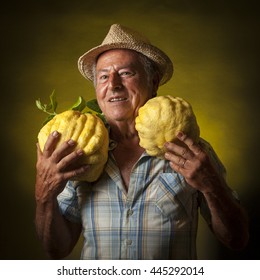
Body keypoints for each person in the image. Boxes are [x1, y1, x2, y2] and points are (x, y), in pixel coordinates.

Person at [35, 24, 249, 260]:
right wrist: (44, 195)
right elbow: (56, 249)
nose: (113, 84)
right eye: (104, 76)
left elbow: (236, 239)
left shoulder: (191, 152)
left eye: (126, 73)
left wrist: (212, 186)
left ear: (154, 82)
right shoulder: (77, 152)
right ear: (97, 88)